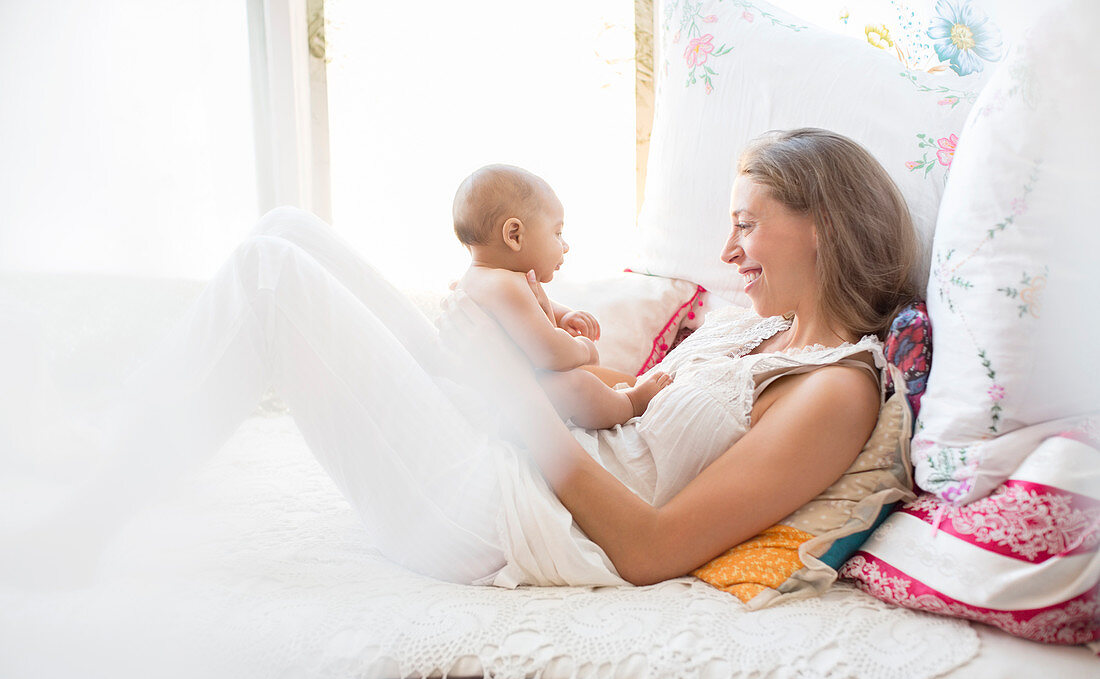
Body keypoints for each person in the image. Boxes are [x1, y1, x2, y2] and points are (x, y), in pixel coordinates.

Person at [10, 128, 917, 592]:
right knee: (285, 231)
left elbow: (650, 548)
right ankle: (133, 451)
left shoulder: (834, 390)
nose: (728, 252)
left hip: (495, 511)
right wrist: (517, 358)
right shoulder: (750, 329)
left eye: (746, 222)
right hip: (510, 442)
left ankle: (88, 523)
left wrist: (507, 396)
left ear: (824, 225)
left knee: (272, 276)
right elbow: (632, 401)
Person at [451, 164, 671, 430]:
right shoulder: (507, 285)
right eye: (557, 233)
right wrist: (583, 348)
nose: (565, 245)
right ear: (514, 235)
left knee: (572, 380)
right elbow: (549, 353)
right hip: (503, 409)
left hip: (491, 399)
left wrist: (563, 315)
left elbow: (525, 312)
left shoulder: (479, 281)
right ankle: (632, 403)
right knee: (579, 385)